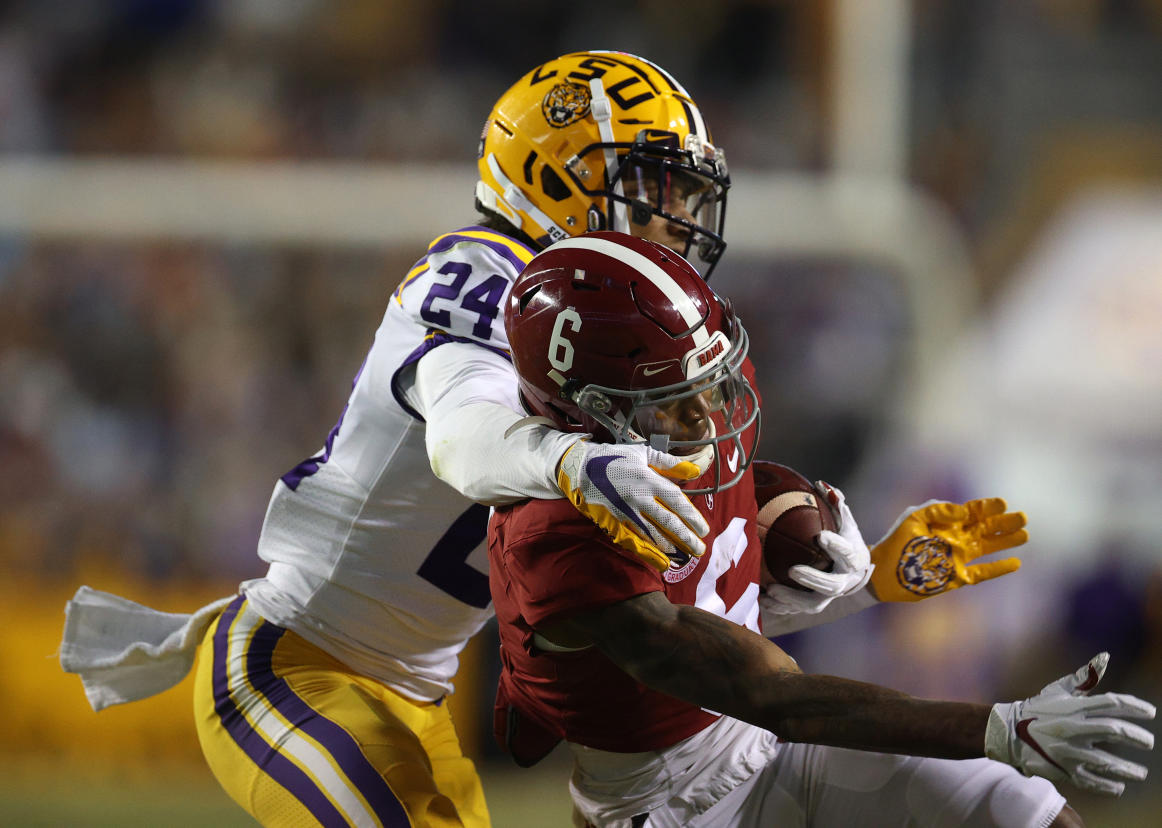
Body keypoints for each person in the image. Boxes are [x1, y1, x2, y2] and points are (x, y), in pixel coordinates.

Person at [61, 52, 1031, 827]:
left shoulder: (617, 330)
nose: (681, 215)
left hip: (422, 690)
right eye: (654, 183)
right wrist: (572, 460)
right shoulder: (493, 284)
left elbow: (684, 619)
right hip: (297, 665)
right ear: (554, 180)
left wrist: (866, 581)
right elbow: (466, 436)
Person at [488, 231, 1155, 828]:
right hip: (661, 806)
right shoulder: (554, 536)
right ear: (594, 412)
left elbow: (724, 618)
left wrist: (869, 579)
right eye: (671, 397)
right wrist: (1002, 728)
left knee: (1017, 809)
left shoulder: (682, 425)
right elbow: (764, 692)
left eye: (708, 378)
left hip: (761, 746)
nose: (710, 412)